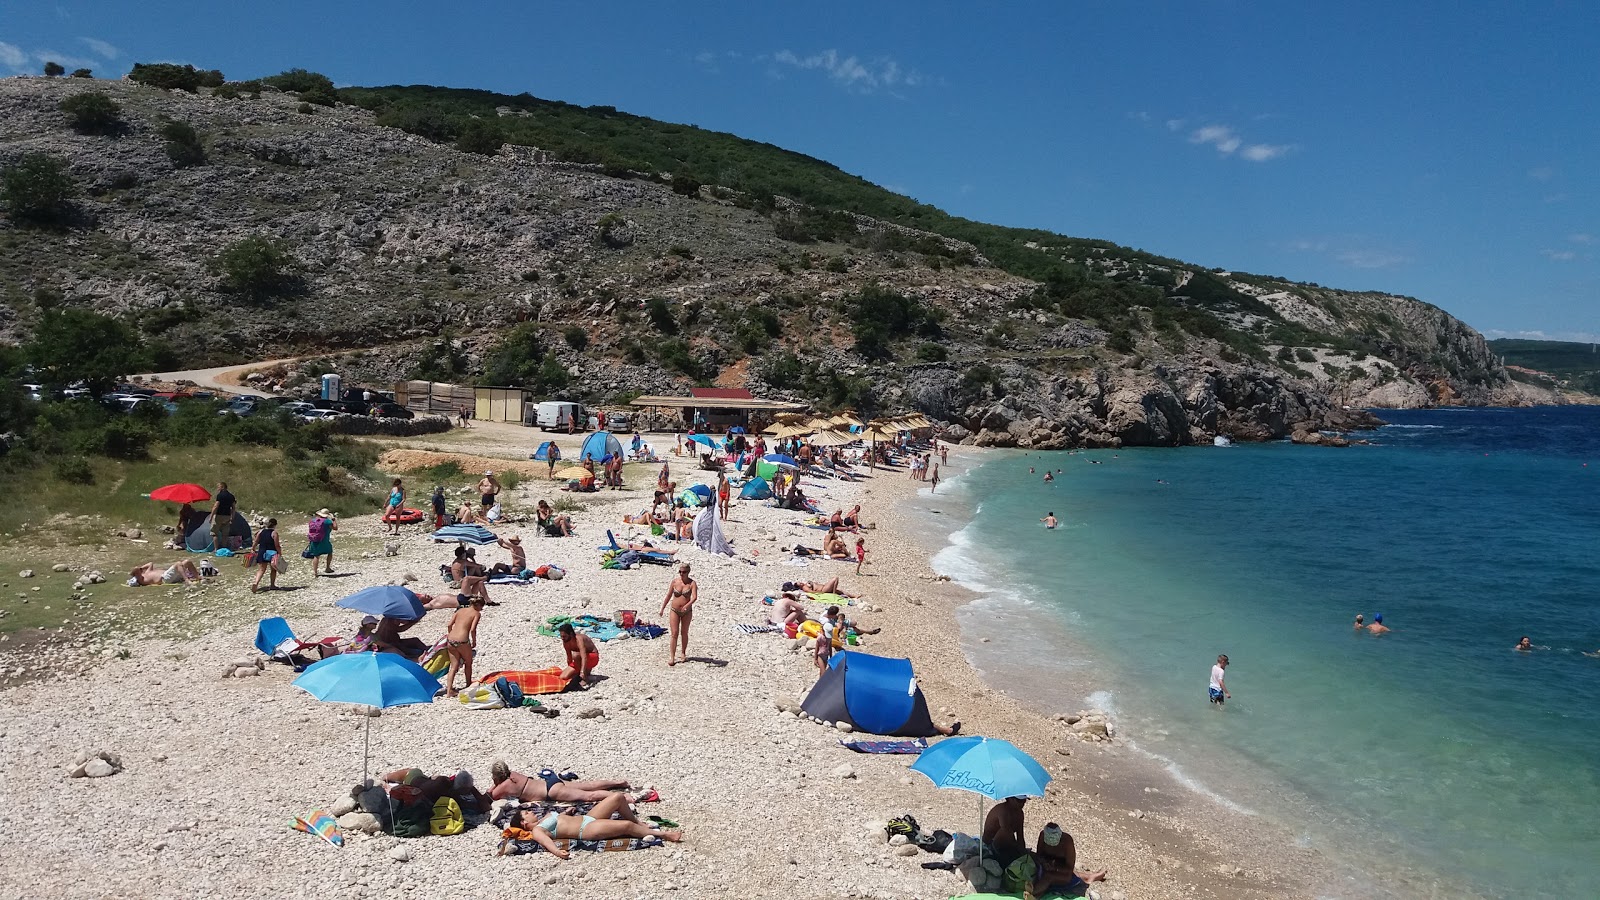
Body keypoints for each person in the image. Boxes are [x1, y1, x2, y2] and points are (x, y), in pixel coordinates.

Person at [507, 792, 683, 860]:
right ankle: (664, 835)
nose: (530, 812)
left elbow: (560, 820)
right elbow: (545, 841)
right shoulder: (537, 830)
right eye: (526, 813)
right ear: (524, 823)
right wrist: (557, 852)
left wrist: (566, 812)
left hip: (587, 818)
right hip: (586, 830)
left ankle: (640, 824)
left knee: (618, 798)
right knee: (625, 825)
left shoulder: (543, 816)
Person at [489, 761, 650, 805]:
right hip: (551, 781)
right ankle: (618, 782)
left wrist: (495, 785)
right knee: (588, 785)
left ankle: (627, 797)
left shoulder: (503, 786)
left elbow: (489, 798)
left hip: (551, 792)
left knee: (589, 796)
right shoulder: (514, 775)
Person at [1029, 823, 1108, 896]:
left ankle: (1032, 893)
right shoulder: (1042, 835)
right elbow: (1039, 855)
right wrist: (1044, 862)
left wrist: (1055, 868)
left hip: (1061, 871)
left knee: (1049, 876)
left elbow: (1070, 868)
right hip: (1047, 866)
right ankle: (1091, 877)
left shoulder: (1067, 841)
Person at [443, 596, 484, 697]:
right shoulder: (476, 614)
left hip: (451, 639)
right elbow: (473, 629)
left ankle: (449, 691)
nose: (482, 609)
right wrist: (474, 641)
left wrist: (451, 635)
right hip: (462, 641)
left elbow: (449, 625)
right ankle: (468, 684)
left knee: (453, 666)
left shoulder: (460, 610)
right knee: (468, 662)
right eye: (482, 606)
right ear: (477, 605)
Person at [661, 562, 697, 666]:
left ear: (688, 572)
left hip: (687, 612)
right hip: (674, 610)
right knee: (674, 633)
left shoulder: (692, 583)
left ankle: (683, 653)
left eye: (684, 572)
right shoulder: (675, 582)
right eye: (680, 572)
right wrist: (662, 608)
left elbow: (694, 597)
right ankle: (672, 656)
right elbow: (668, 595)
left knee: (684, 632)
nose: (681, 574)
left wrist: (687, 605)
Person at [983, 796, 1030, 865]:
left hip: (1006, 844)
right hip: (990, 843)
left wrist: (1023, 854)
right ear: (1010, 799)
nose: (1022, 804)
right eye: (1019, 801)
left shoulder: (1019, 814)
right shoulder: (1002, 810)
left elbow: (1020, 836)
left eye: (1024, 801)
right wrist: (1017, 849)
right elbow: (1006, 832)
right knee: (1005, 831)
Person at [558, 622, 599, 690]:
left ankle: (585, 676)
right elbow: (569, 657)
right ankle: (583, 673)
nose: (562, 638)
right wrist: (570, 667)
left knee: (576, 655)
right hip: (579, 659)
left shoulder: (579, 639)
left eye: (564, 636)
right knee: (563, 676)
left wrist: (582, 672)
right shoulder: (565, 641)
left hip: (593, 657)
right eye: (561, 636)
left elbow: (584, 657)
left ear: (570, 634)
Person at [249, 517, 282, 592]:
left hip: (262, 552)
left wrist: (253, 548)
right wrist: (280, 553)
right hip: (272, 553)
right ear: (275, 525)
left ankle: (256, 583)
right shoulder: (274, 533)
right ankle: (272, 585)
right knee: (273, 570)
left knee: (261, 569)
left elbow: (256, 541)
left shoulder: (260, 532)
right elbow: (277, 545)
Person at [306, 508, 337, 576]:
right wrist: (333, 519)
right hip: (324, 540)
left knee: (316, 556)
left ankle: (315, 572)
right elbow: (335, 528)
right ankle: (327, 568)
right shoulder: (327, 521)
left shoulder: (313, 520)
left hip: (314, 540)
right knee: (330, 552)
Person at [128, 560, 202, 586]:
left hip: (168, 575)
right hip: (165, 578)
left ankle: (198, 577)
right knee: (178, 564)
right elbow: (134, 571)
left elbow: (150, 563)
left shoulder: (146, 572)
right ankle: (187, 581)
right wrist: (137, 570)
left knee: (187, 562)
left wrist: (141, 568)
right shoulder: (141, 579)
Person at [211, 481, 237, 551]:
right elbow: (233, 507)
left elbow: (216, 506)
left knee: (214, 533)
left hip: (219, 515)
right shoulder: (231, 496)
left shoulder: (220, 495)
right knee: (225, 534)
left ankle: (216, 549)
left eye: (218, 487)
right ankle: (224, 548)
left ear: (222, 487)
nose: (217, 489)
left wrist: (211, 516)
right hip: (227, 516)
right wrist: (232, 517)